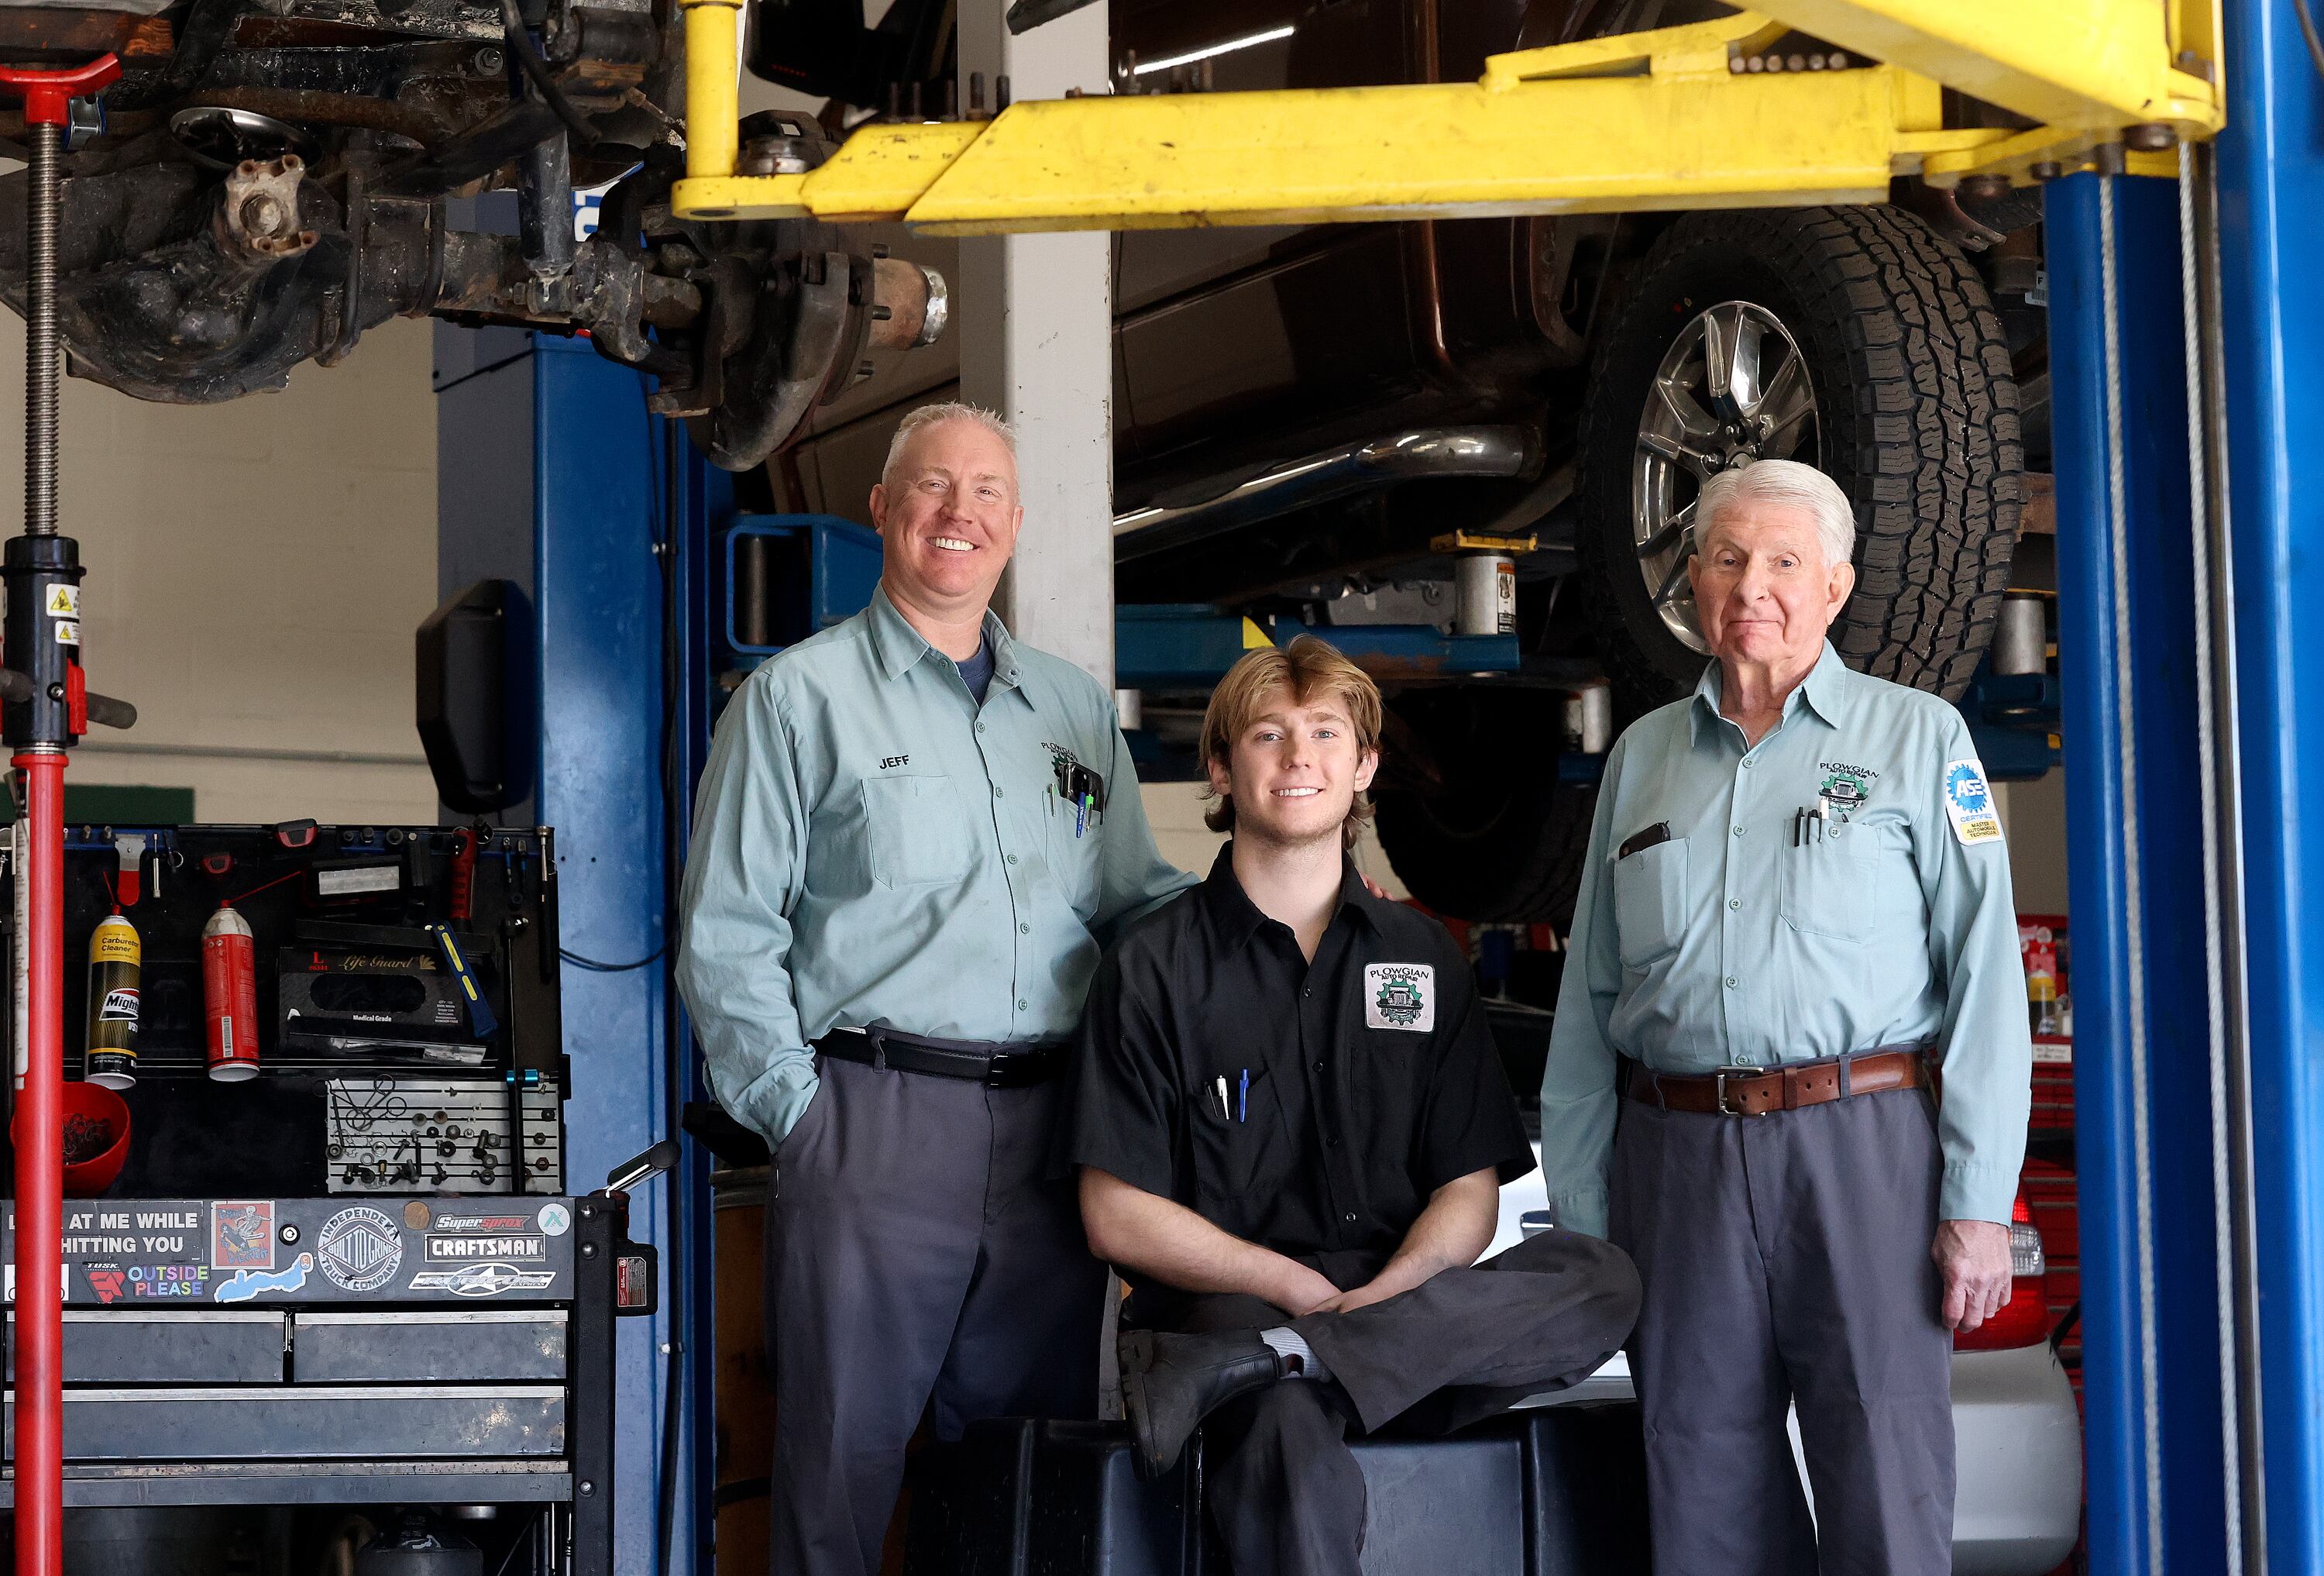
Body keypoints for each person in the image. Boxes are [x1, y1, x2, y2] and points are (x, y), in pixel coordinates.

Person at [677, 401, 1198, 1576]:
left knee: (1027, 1480)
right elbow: (725, 932)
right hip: (874, 1121)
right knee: (839, 1479)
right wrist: (802, 1118)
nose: (958, 514)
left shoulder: (1070, 708)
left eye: (985, 494)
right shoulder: (795, 701)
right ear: (883, 510)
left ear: (1016, 524)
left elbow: (1132, 905)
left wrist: (1272, 908)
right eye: (932, 487)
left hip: (1055, 1136)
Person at [1538, 458, 2033, 1574]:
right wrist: (1583, 1209)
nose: (1750, 584)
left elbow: (1985, 984)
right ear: (1695, 580)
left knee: (1883, 1474)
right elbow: (1591, 1001)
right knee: (1698, 1477)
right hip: (1678, 1160)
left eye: (1782, 561)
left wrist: (1976, 1201)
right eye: (1725, 557)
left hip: (1861, 1150)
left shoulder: (1919, 741)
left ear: (1835, 586)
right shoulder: (1643, 758)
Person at [1065, 635, 1641, 1576]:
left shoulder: (1423, 955)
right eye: (1268, 734)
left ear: (1365, 763)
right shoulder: (1152, 970)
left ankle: (1295, 1357)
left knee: (1601, 1278)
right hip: (1224, 1319)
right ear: (1221, 765)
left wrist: (1389, 1294)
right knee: (1286, 1440)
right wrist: (1297, 1295)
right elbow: (1113, 1212)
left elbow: (1467, 1190)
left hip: (1398, 1306)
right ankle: (1284, 1360)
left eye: (1326, 733)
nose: (1301, 758)